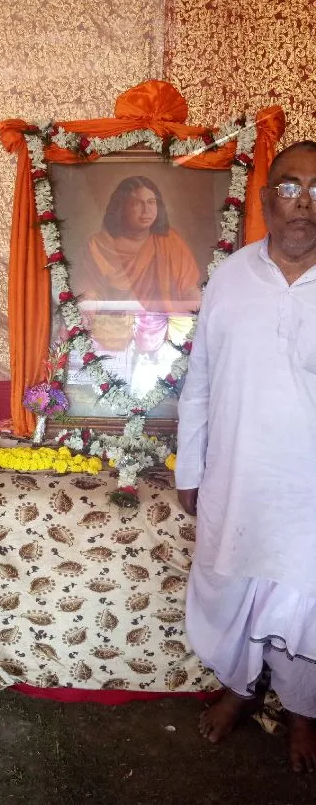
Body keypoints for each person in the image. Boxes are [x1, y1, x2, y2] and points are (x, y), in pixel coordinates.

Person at [176, 140, 316, 773]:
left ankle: (301, 711)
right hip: (237, 478)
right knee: (231, 586)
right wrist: (189, 465)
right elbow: (200, 378)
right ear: (265, 200)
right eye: (290, 188)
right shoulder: (230, 277)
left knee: (304, 600)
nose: (304, 205)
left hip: (308, 490)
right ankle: (238, 687)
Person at [79, 175, 200, 310]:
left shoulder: (171, 241)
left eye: (151, 202)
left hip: (166, 324)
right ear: (121, 208)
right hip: (114, 325)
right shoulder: (99, 245)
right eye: (137, 203)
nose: (146, 210)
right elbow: (87, 295)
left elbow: (191, 292)